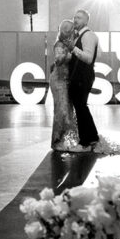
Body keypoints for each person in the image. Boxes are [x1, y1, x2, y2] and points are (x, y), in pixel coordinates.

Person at [67, 8, 100, 149]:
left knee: (81, 108)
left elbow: (88, 58)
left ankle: (85, 142)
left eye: (79, 18)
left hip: (83, 77)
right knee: (81, 108)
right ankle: (91, 138)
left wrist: (73, 48)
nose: (75, 20)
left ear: (86, 21)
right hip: (78, 77)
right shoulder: (79, 36)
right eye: (74, 17)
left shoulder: (88, 35)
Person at [49, 19, 80, 151]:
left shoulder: (71, 44)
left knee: (68, 111)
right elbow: (58, 61)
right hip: (59, 80)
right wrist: (69, 52)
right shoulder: (59, 44)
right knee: (61, 111)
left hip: (66, 80)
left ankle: (69, 139)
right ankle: (56, 141)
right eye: (70, 30)